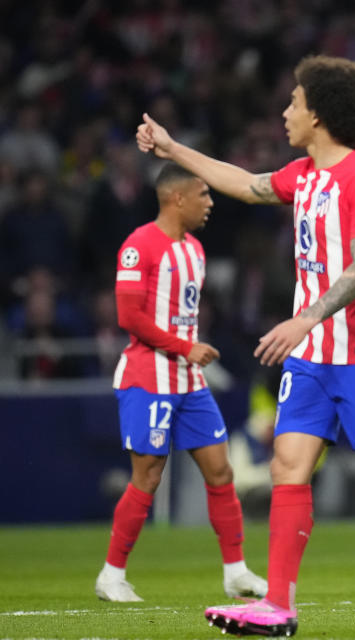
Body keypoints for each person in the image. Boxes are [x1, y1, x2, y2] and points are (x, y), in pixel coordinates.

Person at [135, 55, 355, 637]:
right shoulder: (304, 174)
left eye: (294, 102)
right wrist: (173, 150)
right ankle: (277, 604)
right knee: (287, 466)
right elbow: (244, 183)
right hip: (313, 355)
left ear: (317, 114)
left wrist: (306, 317)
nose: (286, 111)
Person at [95, 163, 267, 603]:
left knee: (221, 470)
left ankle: (236, 572)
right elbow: (128, 317)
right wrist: (184, 347)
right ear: (177, 198)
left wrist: (189, 352)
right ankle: (112, 575)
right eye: (204, 195)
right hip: (147, 377)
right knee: (148, 477)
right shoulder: (138, 245)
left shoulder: (194, 250)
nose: (211, 203)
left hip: (189, 381)